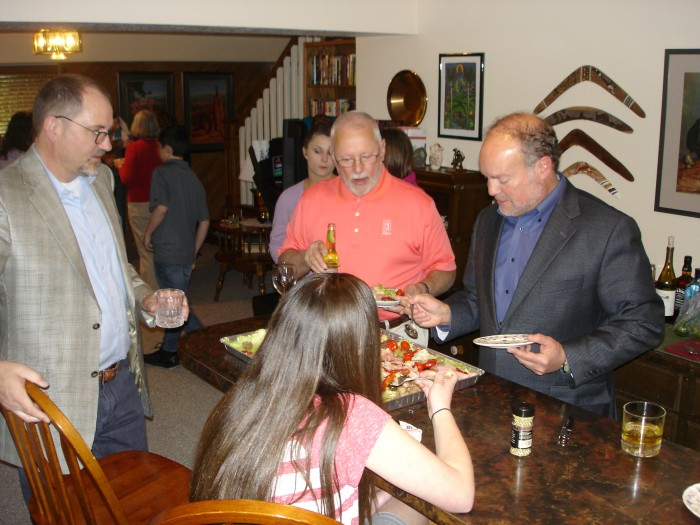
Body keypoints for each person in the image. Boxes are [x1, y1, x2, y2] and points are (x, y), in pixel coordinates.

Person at [0, 75, 189, 498]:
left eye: (111, 132)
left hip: (121, 383)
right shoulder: (5, 195)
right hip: (50, 399)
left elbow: (115, 266)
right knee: (62, 510)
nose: (108, 145)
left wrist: (146, 298)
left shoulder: (102, 181)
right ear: (54, 126)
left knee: (132, 500)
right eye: (98, 133)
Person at [407, 112, 665, 417]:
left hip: (566, 410)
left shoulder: (607, 229)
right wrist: (447, 313)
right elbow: (479, 300)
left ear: (543, 167)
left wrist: (569, 356)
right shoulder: (488, 221)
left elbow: (643, 322)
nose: (490, 190)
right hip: (492, 399)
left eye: (503, 179)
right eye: (487, 177)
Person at [190, 273, 474, 525]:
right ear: (359, 345)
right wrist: (440, 408)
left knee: (391, 491)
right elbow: (461, 495)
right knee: (419, 506)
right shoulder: (351, 415)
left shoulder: (246, 394)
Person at [279, 111, 456, 331]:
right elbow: (286, 266)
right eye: (346, 159)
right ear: (333, 157)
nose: (358, 169)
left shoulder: (418, 204)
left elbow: (446, 270)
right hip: (326, 326)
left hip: (396, 329)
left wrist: (424, 287)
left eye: (366, 156)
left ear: (382, 150)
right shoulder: (311, 199)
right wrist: (306, 257)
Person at [143, 124, 210, 368]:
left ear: (167, 149)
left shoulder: (161, 174)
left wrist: (147, 233)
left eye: (159, 147)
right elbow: (204, 221)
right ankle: (170, 349)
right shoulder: (194, 178)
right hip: (184, 254)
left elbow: (162, 207)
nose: (158, 152)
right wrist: (194, 250)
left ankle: (206, 342)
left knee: (176, 305)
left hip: (167, 251)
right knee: (177, 301)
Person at [269, 115, 335, 263]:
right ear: (305, 151)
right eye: (317, 151)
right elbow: (276, 244)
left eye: (330, 152)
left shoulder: (348, 191)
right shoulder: (289, 198)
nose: (324, 159)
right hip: (302, 277)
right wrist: (293, 268)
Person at [118, 109, 162, 290]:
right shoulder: (161, 146)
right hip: (160, 205)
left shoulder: (134, 148)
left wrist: (119, 166)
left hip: (139, 204)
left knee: (145, 252)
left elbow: (127, 178)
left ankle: (152, 293)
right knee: (159, 248)